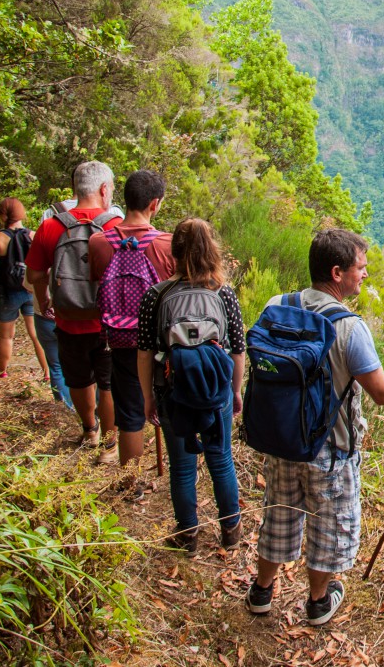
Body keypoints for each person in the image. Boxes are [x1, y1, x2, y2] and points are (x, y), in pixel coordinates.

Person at [244, 229, 384, 626]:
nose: (365, 274)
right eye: (360, 268)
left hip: (280, 437)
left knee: (278, 515)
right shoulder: (349, 327)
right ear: (337, 273)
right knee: (328, 528)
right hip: (330, 451)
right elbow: (382, 392)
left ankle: (261, 591)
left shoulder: (277, 305)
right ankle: (317, 601)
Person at [137, 218, 245, 552]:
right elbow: (237, 348)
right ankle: (231, 530)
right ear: (212, 250)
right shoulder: (223, 293)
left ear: (174, 252)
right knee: (221, 459)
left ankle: (188, 534)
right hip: (216, 390)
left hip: (172, 390)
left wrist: (148, 397)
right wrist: (235, 390)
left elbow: (145, 352)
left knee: (182, 467)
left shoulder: (156, 295)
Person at [27, 161, 121, 461]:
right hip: (107, 323)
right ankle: (110, 445)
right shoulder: (115, 227)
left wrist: (44, 300)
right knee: (108, 383)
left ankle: (90, 430)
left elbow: (35, 274)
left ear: (74, 188)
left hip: (68, 319)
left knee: (78, 379)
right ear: (104, 190)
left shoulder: (51, 226)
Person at [89, 170, 175, 484]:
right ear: (155, 204)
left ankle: (130, 485)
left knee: (129, 414)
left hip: (120, 339)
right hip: (162, 343)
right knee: (170, 408)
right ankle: (179, 478)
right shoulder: (167, 244)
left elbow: (97, 285)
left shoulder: (99, 242)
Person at [0, 198, 49, 381]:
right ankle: (47, 373)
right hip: (30, 290)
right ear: (22, 213)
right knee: (36, 335)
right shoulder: (33, 235)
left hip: (6, 292)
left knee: (6, 335)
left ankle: (2, 370)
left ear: (2, 215)